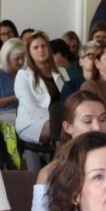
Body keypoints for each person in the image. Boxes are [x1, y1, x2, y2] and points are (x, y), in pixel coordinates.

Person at [32, 92, 106, 211]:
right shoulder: (49, 174)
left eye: (103, 120)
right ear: (68, 127)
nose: (98, 127)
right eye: (88, 121)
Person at [15, 32, 68, 161]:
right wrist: (57, 120)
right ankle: (58, 163)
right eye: (36, 47)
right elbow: (31, 108)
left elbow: (69, 98)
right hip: (32, 122)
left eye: (43, 46)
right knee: (64, 129)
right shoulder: (23, 75)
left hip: (61, 120)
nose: (40, 50)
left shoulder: (62, 71)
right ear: (29, 52)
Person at [0, 37, 24, 125]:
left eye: (22, 58)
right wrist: (14, 97)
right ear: (7, 58)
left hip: (22, 111)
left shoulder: (23, 72)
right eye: (17, 58)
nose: (21, 62)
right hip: (4, 113)